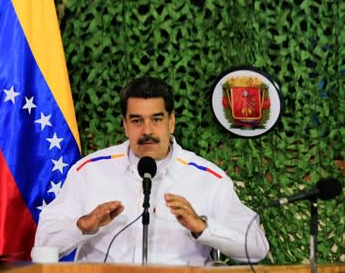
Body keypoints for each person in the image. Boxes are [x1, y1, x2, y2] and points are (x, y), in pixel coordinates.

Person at [34, 76, 269, 266]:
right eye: (137, 121)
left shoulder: (208, 179)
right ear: (125, 125)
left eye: (157, 119)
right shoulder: (89, 172)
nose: (147, 130)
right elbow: (43, 244)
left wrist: (203, 227)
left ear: (171, 122)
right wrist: (83, 225)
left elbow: (257, 247)